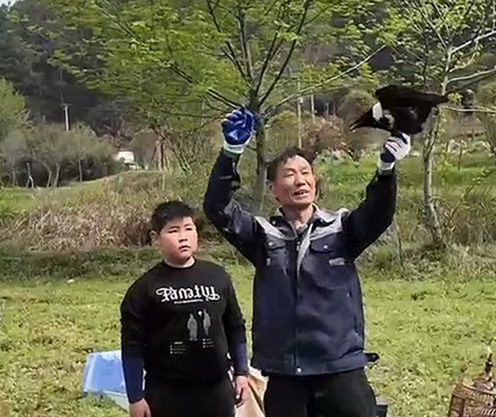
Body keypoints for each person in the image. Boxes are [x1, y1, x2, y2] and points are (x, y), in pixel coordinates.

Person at [203, 108, 411, 417]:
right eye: (289, 174)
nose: (300, 180)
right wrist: (230, 153)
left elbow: (378, 213)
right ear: (273, 190)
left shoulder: (342, 228)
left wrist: (386, 169)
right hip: (285, 373)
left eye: (305, 172)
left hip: (340, 368)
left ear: (315, 182)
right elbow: (217, 208)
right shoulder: (262, 235)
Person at [120, 201, 249, 417]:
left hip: (216, 391)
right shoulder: (144, 289)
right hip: (167, 394)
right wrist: (135, 397)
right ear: (156, 238)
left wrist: (242, 372)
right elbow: (132, 346)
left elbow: (235, 326)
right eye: (173, 231)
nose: (183, 237)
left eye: (189, 229)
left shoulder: (218, 277)